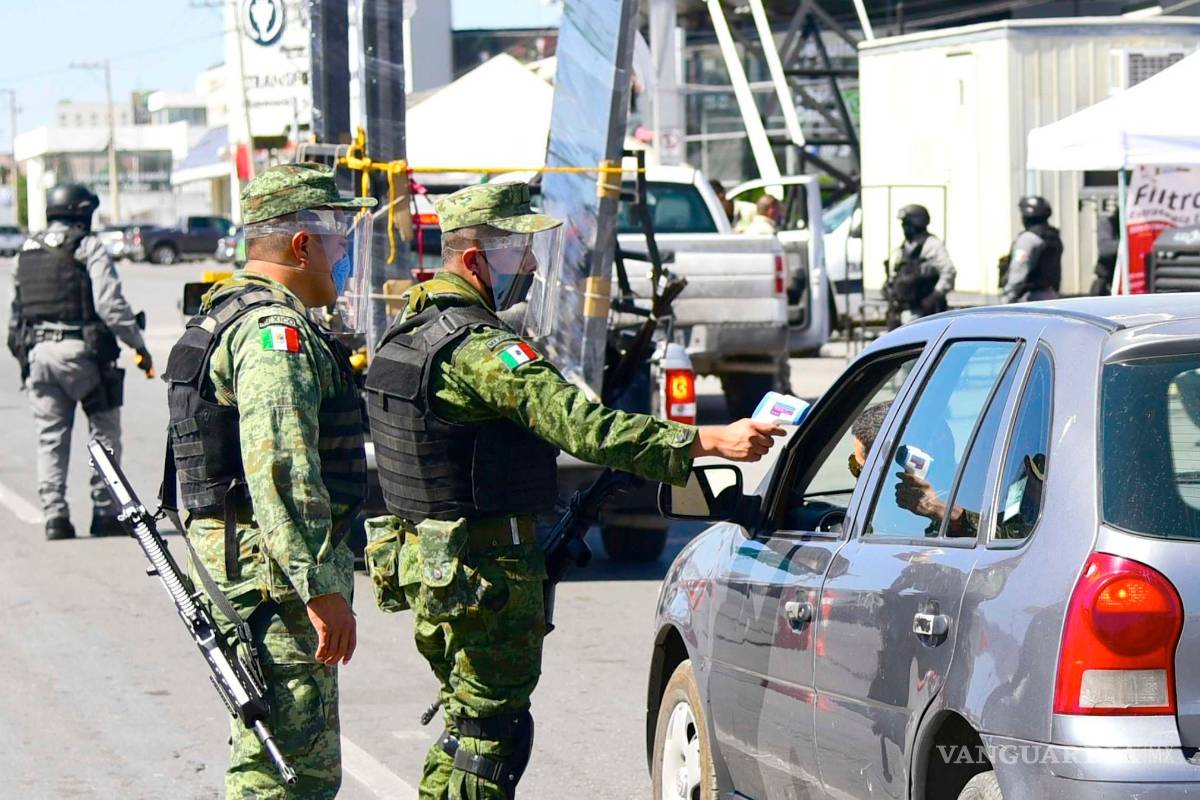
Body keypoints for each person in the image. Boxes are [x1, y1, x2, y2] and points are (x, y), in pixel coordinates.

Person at [363, 181, 785, 799]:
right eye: (517, 253)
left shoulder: (412, 329)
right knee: (491, 740)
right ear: (476, 260)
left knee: (466, 728)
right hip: (482, 576)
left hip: (435, 569)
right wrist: (708, 442)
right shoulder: (480, 349)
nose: (531, 266)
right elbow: (584, 427)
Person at [160, 163, 374, 799]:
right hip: (273, 576)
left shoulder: (228, 310)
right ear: (301, 244)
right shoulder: (272, 333)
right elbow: (279, 465)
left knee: (279, 756)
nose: (343, 255)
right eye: (337, 239)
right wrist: (316, 587)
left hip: (251, 560)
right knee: (288, 772)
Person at [7, 184, 153, 540]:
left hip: (38, 356)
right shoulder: (88, 247)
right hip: (83, 356)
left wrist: (27, 357)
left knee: (50, 438)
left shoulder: (24, 252)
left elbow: (17, 316)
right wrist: (138, 344)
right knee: (104, 434)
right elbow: (110, 306)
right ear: (81, 213)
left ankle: (56, 516)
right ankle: (105, 512)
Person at [883, 204, 956, 330]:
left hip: (922, 311)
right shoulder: (904, 247)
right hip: (902, 309)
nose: (903, 228)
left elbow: (948, 271)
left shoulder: (932, 245)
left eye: (906, 224)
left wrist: (935, 295)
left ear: (916, 224)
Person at [1002, 196, 1062, 303]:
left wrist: (1008, 297)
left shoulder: (1028, 239)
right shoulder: (1052, 236)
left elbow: (1019, 271)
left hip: (1030, 299)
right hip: (1051, 296)